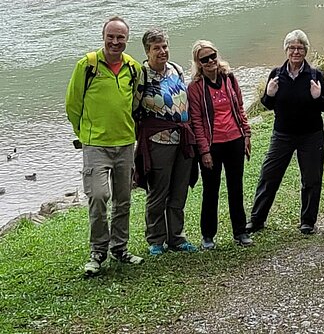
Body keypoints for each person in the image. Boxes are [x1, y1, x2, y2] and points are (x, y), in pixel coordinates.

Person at [66, 16, 143, 276]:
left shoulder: (133, 68)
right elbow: (72, 105)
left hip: (124, 144)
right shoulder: (87, 65)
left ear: (126, 39)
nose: (115, 41)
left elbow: (135, 103)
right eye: (111, 36)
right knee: (98, 196)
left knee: (124, 200)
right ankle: (98, 251)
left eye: (120, 37)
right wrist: (85, 134)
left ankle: (119, 248)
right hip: (95, 146)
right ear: (103, 37)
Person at [246, 29, 324, 236]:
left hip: (311, 136)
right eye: (292, 48)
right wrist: (268, 94)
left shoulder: (314, 75)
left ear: (306, 50)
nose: (296, 52)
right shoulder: (277, 74)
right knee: (269, 176)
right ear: (286, 50)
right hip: (282, 135)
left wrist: (318, 96)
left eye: (300, 48)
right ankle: (257, 220)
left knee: (311, 179)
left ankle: (307, 222)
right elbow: (268, 105)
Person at [134, 28, 197, 256]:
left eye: (164, 46)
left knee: (179, 190)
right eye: (156, 48)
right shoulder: (142, 76)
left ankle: (177, 238)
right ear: (147, 51)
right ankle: (156, 239)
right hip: (158, 141)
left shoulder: (176, 70)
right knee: (158, 191)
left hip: (182, 139)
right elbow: (134, 109)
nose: (162, 51)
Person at [187, 40, 252, 249]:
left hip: (235, 140)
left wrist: (246, 134)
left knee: (236, 187)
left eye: (212, 56)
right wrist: (203, 150)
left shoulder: (229, 79)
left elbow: (240, 108)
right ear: (198, 62)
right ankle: (208, 235)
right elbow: (196, 120)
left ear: (217, 55)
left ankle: (240, 232)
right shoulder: (195, 87)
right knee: (211, 190)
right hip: (212, 145)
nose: (210, 61)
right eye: (204, 59)